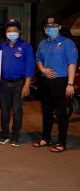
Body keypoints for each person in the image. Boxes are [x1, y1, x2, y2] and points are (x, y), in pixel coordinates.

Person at [32, 17, 78, 152]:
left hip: (60, 81)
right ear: (44, 29)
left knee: (61, 113)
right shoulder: (42, 44)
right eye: (47, 27)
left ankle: (61, 142)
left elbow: (72, 63)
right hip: (45, 80)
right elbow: (38, 59)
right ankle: (46, 138)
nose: (50, 29)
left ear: (58, 28)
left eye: (53, 26)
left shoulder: (67, 43)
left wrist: (70, 83)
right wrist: (42, 69)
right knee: (46, 111)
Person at [0, 19, 35, 147]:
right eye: (9, 31)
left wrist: (27, 84)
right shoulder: (1, 46)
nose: (11, 33)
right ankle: (4, 135)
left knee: (17, 110)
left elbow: (30, 65)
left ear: (19, 31)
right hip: (3, 83)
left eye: (14, 30)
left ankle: (15, 136)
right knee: (4, 110)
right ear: (5, 32)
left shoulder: (26, 46)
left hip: (19, 83)